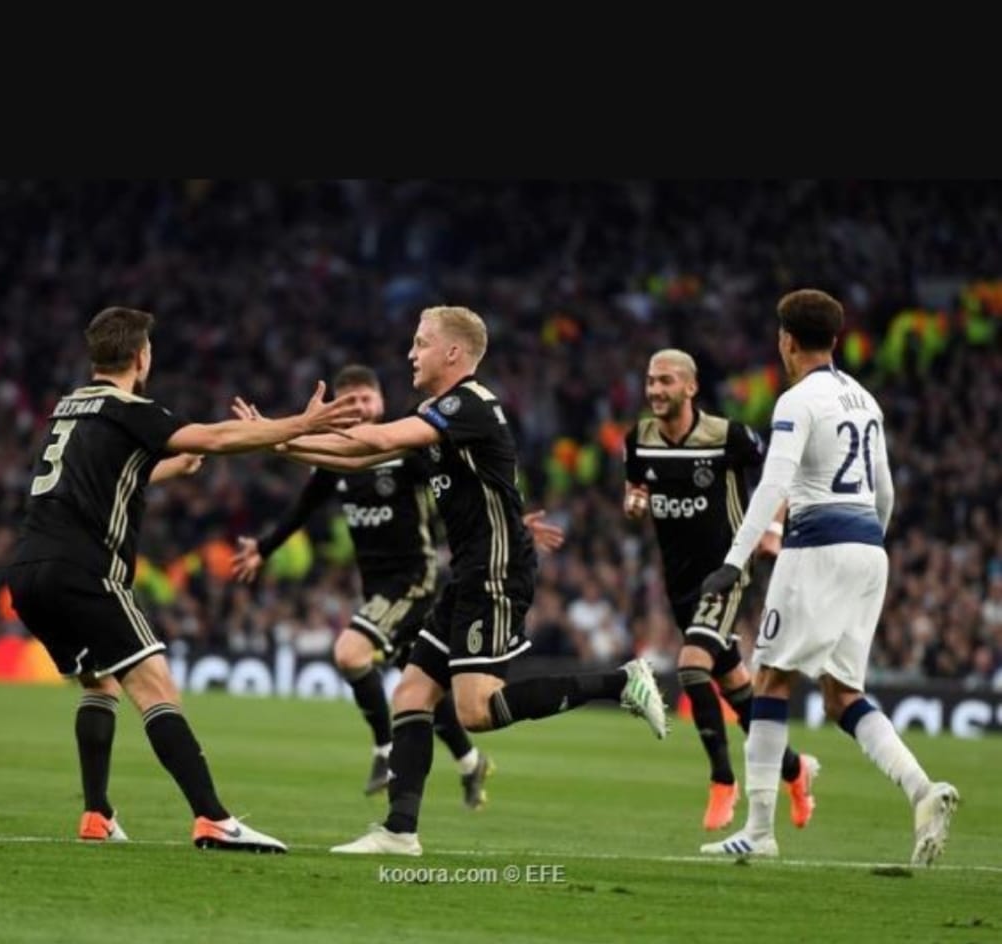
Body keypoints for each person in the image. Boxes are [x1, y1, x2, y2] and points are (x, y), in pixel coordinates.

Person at [273, 304, 669, 856]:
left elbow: (372, 443)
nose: (411, 353)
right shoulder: (438, 412)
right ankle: (399, 832)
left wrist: (287, 432)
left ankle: (621, 682)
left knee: (476, 711)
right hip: (469, 571)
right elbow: (360, 461)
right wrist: (281, 441)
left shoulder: (468, 404)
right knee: (412, 693)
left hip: (495, 570)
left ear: (453, 352)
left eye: (421, 343)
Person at [5, 306, 360, 854]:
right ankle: (212, 818)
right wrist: (300, 425)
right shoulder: (131, 409)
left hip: (28, 571)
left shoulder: (69, 408)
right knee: (156, 687)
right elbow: (216, 437)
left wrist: (174, 464)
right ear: (141, 357)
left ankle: (97, 814)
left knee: (99, 683)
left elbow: (111, 479)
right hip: (84, 571)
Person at [698, 289, 959, 865]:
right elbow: (885, 492)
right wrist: (866, 546)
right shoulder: (865, 399)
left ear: (786, 341)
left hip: (817, 547)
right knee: (842, 697)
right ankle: (923, 790)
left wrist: (734, 560)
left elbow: (774, 484)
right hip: (867, 549)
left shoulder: (797, 401)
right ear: (836, 340)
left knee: (770, 681)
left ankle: (759, 830)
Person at [231, 363, 562, 808]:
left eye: (366, 398)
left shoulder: (409, 448)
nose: (360, 407)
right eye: (349, 401)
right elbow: (303, 508)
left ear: (382, 401)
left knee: (349, 653)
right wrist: (264, 548)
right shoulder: (336, 461)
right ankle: (470, 763)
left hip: (413, 581)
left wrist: (511, 523)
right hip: (376, 588)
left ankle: (385, 749)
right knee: (420, 690)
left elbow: (466, 488)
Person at [623, 349, 819, 831]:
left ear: (690, 387)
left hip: (728, 571)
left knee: (692, 667)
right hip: (680, 584)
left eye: (666, 381)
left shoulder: (727, 437)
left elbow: (785, 473)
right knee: (738, 693)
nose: (655, 390)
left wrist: (773, 528)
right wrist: (634, 502)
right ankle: (795, 771)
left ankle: (722, 782)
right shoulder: (638, 439)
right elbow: (636, 488)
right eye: (650, 381)